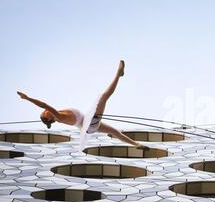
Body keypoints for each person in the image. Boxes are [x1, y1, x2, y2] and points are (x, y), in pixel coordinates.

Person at [17, 60, 148, 151]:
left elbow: (45, 106)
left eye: (44, 111)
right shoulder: (58, 116)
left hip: (88, 124)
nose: (45, 110)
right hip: (89, 124)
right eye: (44, 112)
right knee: (103, 97)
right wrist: (28, 98)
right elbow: (44, 104)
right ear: (49, 118)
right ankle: (118, 74)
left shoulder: (58, 114)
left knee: (114, 131)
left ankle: (135, 144)